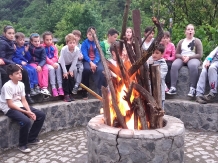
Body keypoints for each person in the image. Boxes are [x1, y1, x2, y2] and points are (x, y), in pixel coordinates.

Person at [0, 64, 45, 153]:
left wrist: (29, 111)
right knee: (25, 121)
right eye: (17, 73)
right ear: (10, 76)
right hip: (8, 108)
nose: (20, 75)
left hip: (19, 105)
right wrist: (26, 112)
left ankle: (31, 139)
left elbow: (23, 100)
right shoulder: (7, 86)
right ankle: (22, 145)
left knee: (40, 115)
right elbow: (10, 104)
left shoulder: (21, 84)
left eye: (20, 73)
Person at [0, 25, 34, 104]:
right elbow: (2, 57)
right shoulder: (2, 43)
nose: (11, 35)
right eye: (9, 33)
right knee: (9, 74)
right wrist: (14, 63)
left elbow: (21, 41)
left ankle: (27, 94)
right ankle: (8, 97)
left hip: (10, 62)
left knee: (24, 71)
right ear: (4, 34)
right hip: (4, 63)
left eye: (13, 33)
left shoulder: (11, 41)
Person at [166, 24, 203, 97]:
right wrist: (182, 57)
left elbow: (199, 54)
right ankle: (173, 87)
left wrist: (189, 57)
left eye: (192, 29)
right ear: (185, 31)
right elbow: (176, 54)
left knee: (193, 66)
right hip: (182, 57)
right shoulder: (181, 41)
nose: (190, 31)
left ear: (194, 32)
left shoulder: (197, 41)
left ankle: (192, 88)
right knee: (174, 65)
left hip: (193, 58)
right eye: (188, 29)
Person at [12, 32, 40, 96]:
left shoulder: (24, 47)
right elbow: (13, 58)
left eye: (23, 40)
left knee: (33, 69)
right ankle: (31, 87)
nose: (22, 41)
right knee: (28, 71)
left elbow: (29, 58)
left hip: (26, 63)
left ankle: (36, 85)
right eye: (20, 40)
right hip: (19, 64)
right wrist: (20, 62)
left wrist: (26, 51)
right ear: (16, 40)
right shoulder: (14, 48)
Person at [81, 27, 106, 99]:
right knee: (86, 70)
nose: (91, 36)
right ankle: (85, 91)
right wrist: (91, 63)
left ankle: (101, 90)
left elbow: (98, 54)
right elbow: (84, 54)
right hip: (87, 61)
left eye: (93, 35)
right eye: (90, 34)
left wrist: (94, 63)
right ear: (87, 35)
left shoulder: (98, 43)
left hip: (96, 61)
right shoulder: (84, 43)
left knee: (101, 70)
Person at [58, 33, 80, 102]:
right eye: (70, 43)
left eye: (74, 43)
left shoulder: (77, 50)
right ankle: (66, 94)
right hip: (63, 64)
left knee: (71, 77)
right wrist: (65, 72)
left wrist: (71, 70)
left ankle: (70, 93)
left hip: (70, 64)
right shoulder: (64, 49)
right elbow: (62, 60)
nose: (72, 44)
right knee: (66, 77)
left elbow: (75, 60)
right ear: (67, 43)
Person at [41, 31, 64, 97]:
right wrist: (52, 63)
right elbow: (45, 57)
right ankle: (53, 88)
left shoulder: (54, 47)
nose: (49, 41)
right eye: (47, 40)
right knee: (51, 69)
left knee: (59, 67)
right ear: (44, 40)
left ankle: (60, 87)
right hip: (46, 63)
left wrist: (53, 62)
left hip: (53, 62)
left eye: (50, 39)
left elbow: (56, 56)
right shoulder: (42, 47)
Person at [71, 30, 84, 94]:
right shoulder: (71, 45)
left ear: (79, 38)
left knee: (81, 69)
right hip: (73, 62)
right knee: (75, 70)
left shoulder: (80, 46)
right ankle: (77, 84)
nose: (76, 38)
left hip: (79, 62)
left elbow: (82, 53)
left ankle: (76, 85)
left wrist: (81, 56)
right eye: (75, 36)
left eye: (77, 36)